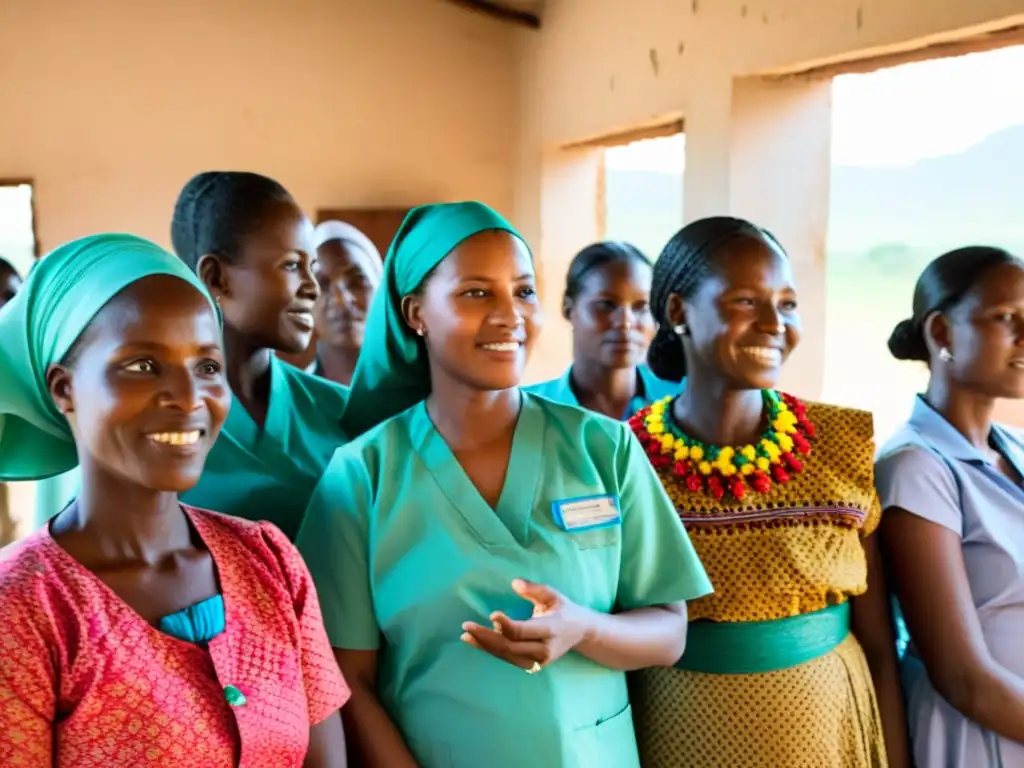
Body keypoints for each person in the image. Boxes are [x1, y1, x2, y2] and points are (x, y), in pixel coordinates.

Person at [296, 202, 712, 768]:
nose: (509, 315)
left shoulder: (604, 448)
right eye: (475, 293)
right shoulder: (362, 475)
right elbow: (347, 679)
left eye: (522, 291)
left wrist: (582, 629)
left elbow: (669, 632)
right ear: (415, 312)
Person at [0, 234, 349, 767]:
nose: (188, 399)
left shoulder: (270, 561)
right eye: (142, 365)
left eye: (207, 367)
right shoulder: (23, 609)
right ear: (63, 388)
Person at [626, 217, 908, 768]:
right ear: (678, 311)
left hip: (828, 735)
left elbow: (879, 643)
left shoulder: (839, 446)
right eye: (745, 301)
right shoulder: (621, 460)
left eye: (786, 303)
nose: (774, 323)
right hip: (680, 736)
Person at [875, 246, 1024, 767]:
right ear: (941, 334)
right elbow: (963, 677)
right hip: (980, 739)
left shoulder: (1014, 447)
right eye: (1006, 318)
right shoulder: (916, 468)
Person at [170, 171, 349, 539]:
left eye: (310, 267)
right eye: (291, 265)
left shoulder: (343, 412)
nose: (313, 287)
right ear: (217, 277)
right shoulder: (162, 421)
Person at [527, 241, 680, 419]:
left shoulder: (683, 406)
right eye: (607, 305)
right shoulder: (526, 413)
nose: (625, 322)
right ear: (568, 309)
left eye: (641, 307)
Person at [307, 221, 383, 385]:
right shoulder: (292, 398)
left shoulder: (422, 392)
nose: (341, 301)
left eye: (357, 282)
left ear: (382, 290)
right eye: (323, 285)